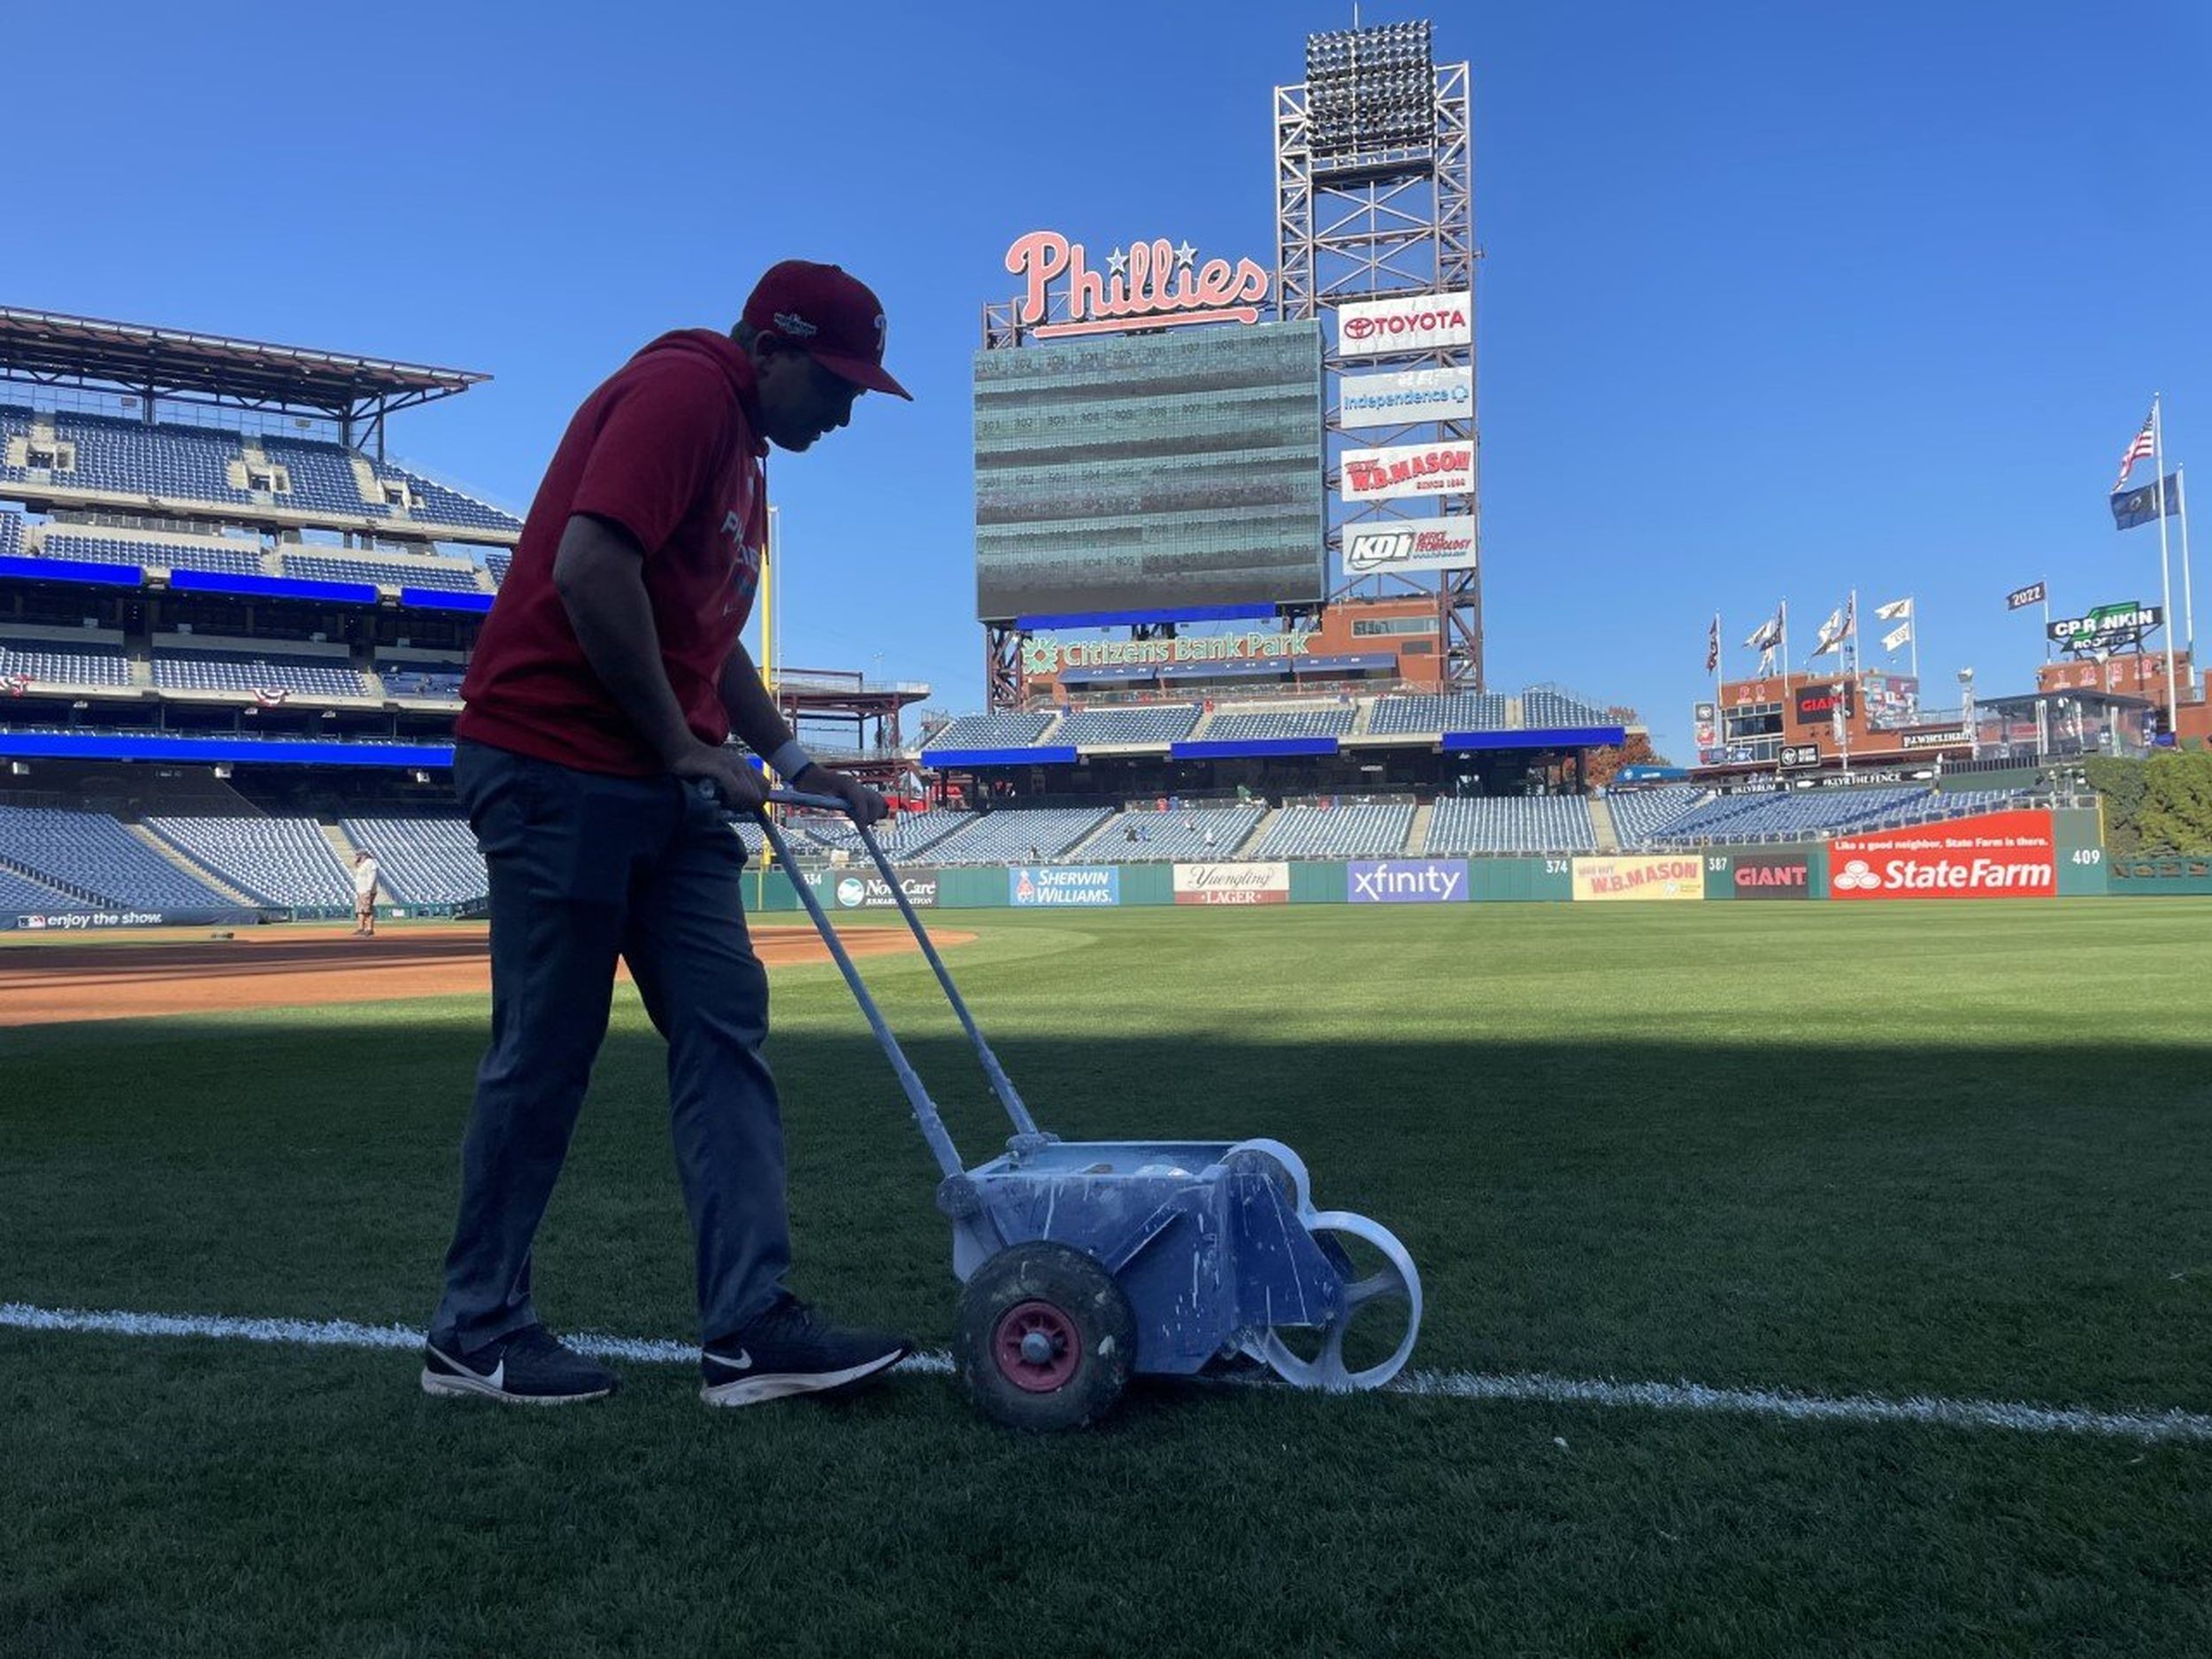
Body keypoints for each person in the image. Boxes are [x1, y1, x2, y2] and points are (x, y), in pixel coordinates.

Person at [421, 261, 913, 1409]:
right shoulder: (687, 393)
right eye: (835, 383)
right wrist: (687, 747)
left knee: (726, 1028)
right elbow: (592, 568)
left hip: (659, 782)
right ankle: (474, 1330)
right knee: (546, 1052)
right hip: (556, 761)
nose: (844, 411)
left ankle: (749, 1327)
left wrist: (790, 759)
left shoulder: (741, 448)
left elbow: (702, 632)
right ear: (770, 347)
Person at [350, 849, 380, 937]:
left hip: (366, 890)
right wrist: (356, 863)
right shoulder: (362, 865)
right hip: (360, 890)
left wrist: (369, 889)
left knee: (367, 910)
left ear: (364, 855)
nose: (357, 857)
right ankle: (361, 928)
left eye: (358, 855)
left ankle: (369, 929)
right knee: (360, 910)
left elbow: (372, 877)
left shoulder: (370, 863)